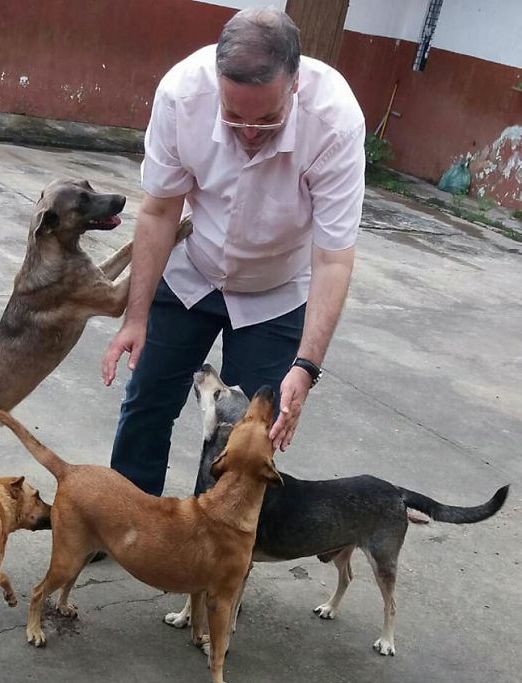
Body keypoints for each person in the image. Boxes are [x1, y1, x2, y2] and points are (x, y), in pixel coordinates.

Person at [101, 6, 365, 497]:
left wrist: (306, 367)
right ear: (218, 82)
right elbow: (159, 211)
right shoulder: (183, 95)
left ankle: (216, 547)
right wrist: (134, 317)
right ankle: (127, 523)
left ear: (295, 85)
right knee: (148, 401)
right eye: (233, 115)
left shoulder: (336, 123)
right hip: (191, 273)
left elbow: (333, 257)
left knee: (249, 433)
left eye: (266, 119)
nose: (248, 132)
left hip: (276, 290)